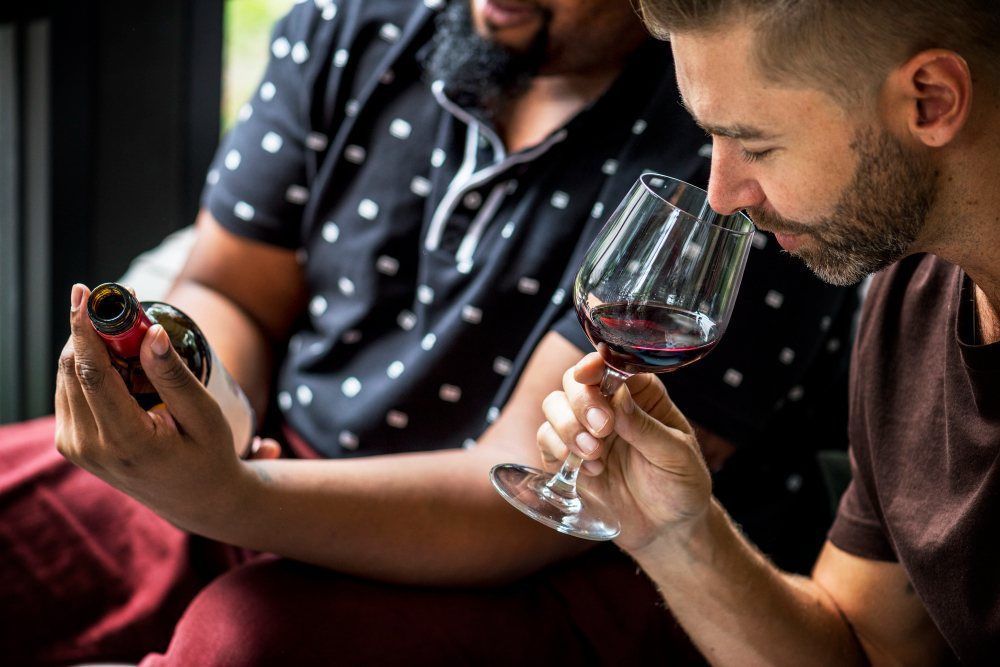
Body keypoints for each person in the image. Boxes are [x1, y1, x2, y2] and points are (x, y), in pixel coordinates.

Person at [0, 0, 856, 663]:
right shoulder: (356, 22)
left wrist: (233, 500)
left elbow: (533, 487)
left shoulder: (733, 142)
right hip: (277, 468)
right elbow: (234, 286)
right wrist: (195, 413)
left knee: (245, 641)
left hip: (561, 559)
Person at [538, 0, 1000, 664]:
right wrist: (673, 531)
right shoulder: (911, 295)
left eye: (755, 143)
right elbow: (869, 650)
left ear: (930, 100)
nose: (723, 195)